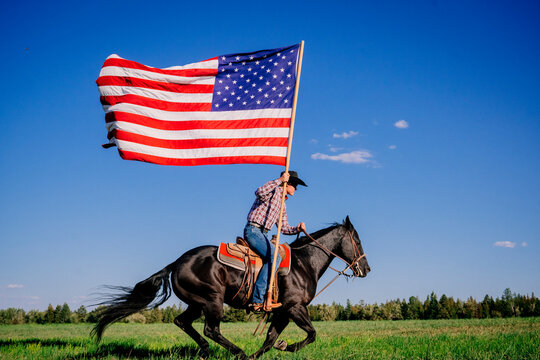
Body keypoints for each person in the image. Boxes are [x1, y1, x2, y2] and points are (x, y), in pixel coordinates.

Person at [244, 170, 307, 312]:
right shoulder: (273, 190)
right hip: (253, 230)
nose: (295, 190)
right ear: (289, 183)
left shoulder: (282, 204)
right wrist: (279, 180)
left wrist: (297, 229)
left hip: (263, 233)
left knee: (273, 256)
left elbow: (284, 228)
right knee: (274, 256)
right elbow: (259, 192)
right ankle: (258, 299)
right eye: (295, 186)